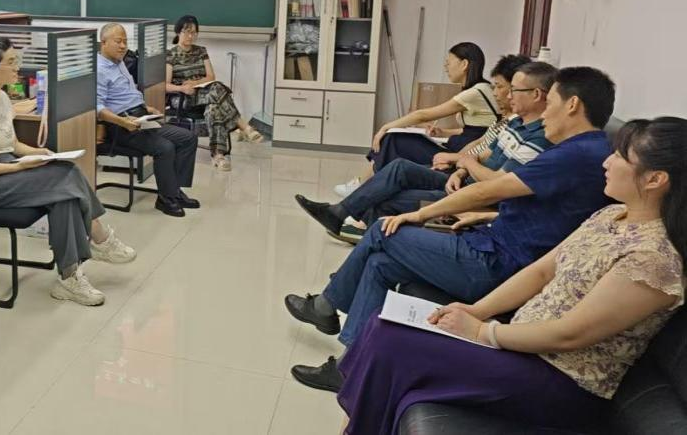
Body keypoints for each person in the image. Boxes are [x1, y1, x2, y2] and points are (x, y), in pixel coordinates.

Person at [337, 116, 687, 435]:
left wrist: (482, 331)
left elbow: (571, 334)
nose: (606, 163)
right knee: (382, 324)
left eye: (620, 157)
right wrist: (477, 310)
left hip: (560, 382)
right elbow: (541, 271)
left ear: (655, 179)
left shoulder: (652, 259)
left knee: (393, 343)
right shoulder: (611, 215)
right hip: (521, 346)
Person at [284, 67, 616, 391]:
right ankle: (349, 368)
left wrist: (421, 214)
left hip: (496, 263)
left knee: (384, 230)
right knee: (380, 264)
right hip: (494, 244)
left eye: (551, 102)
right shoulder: (582, 151)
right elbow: (545, 213)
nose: (545, 114)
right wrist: (488, 217)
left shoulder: (575, 155)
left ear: (572, 105)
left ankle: (325, 308)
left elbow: (490, 191)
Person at [300, 59, 554, 244]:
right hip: (463, 178)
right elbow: (481, 153)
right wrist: (462, 168)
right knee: (399, 165)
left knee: (390, 189)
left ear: (536, 95)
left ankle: (365, 234)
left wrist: (463, 163)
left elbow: (498, 183)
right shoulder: (516, 123)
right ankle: (342, 214)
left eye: (511, 89)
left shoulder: (539, 136)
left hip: (474, 193)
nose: (505, 95)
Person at [0, 36, 136, 307]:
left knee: (64, 196)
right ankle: (100, 237)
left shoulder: (3, 97)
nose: (18, 67)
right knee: (65, 175)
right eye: (11, 62)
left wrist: (37, 152)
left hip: (6, 170)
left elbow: (12, 145)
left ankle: (69, 278)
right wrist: (18, 166)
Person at [334, 42, 500, 197]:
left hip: (457, 154)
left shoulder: (475, 93)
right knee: (394, 140)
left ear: (464, 64)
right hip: (459, 147)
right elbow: (474, 130)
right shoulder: (481, 89)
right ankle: (366, 185)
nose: (446, 67)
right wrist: (443, 132)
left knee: (392, 138)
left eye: (448, 63)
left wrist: (385, 127)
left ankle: (362, 185)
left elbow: (423, 115)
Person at [97, 23, 200, 218]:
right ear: (103, 43)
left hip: (141, 119)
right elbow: (98, 108)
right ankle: (166, 199)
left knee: (188, 138)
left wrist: (146, 107)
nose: (123, 46)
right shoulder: (100, 70)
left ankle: (174, 191)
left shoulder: (120, 63)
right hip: (121, 127)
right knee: (165, 147)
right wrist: (123, 122)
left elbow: (129, 93)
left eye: (125, 42)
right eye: (118, 41)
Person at [165, 14, 263, 171]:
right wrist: (182, 88)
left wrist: (195, 83)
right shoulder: (170, 54)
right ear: (178, 32)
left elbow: (211, 77)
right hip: (183, 96)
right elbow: (165, 85)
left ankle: (218, 156)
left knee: (214, 108)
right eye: (187, 32)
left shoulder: (201, 51)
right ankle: (243, 126)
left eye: (194, 32)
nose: (190, 36)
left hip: (204, 92)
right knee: (218, 88)